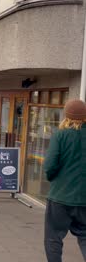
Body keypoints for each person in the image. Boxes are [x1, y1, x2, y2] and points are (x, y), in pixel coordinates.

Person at [43, 99, 86, 262]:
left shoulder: (61, 135)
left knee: (53, 238)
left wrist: (53, 179)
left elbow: (49, 166)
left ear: (66, 115)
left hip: (61, 197)